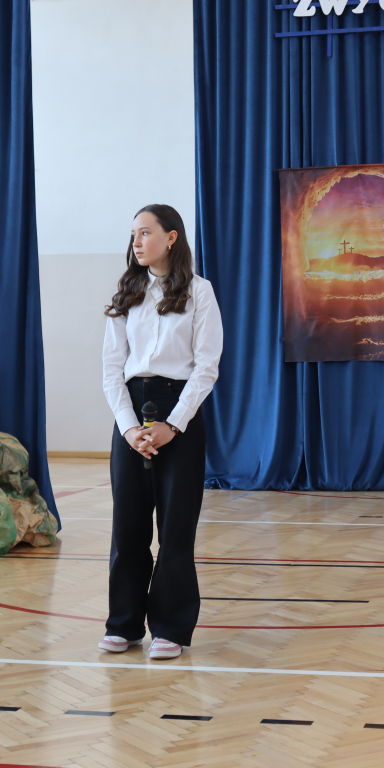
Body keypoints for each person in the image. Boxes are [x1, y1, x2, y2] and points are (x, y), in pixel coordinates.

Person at [99, 204, 224, 659]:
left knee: (175, 528)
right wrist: (130, 429)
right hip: (131, 413)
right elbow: (112, 370)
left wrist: (173, 425)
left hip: (179, 413)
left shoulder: (199, 292)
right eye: (133, 234)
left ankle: (171, 628)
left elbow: (206, 368)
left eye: (145, 232)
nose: (136, 241)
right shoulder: (127, 293)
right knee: (128, 527)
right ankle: (124, 624)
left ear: (171, 237)